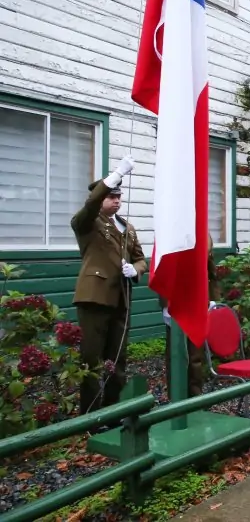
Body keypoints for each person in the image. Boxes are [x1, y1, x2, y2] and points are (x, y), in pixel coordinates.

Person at [70, 155, 147, 419]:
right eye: (111, 196)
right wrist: (117, 174)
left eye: (119, 196)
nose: (116, 200)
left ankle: (113, 412)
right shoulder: (88, 222)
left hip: (121, 298)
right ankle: (90, 417)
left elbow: (140, 259)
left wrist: (135, 269)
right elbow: (90, 205)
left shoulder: (127, 227)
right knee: (91, 360)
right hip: (94, 297)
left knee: (117, 360)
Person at [161, 234, 220, 398]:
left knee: (196, 356)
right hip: (177, 303)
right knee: (175, 354)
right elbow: (164, 271)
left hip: (198, 302)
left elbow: (211, 271)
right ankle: (176, 397)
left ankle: (195, 398)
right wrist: (165, 304)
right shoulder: (174, 234)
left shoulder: (203, 234)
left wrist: (213, 299)